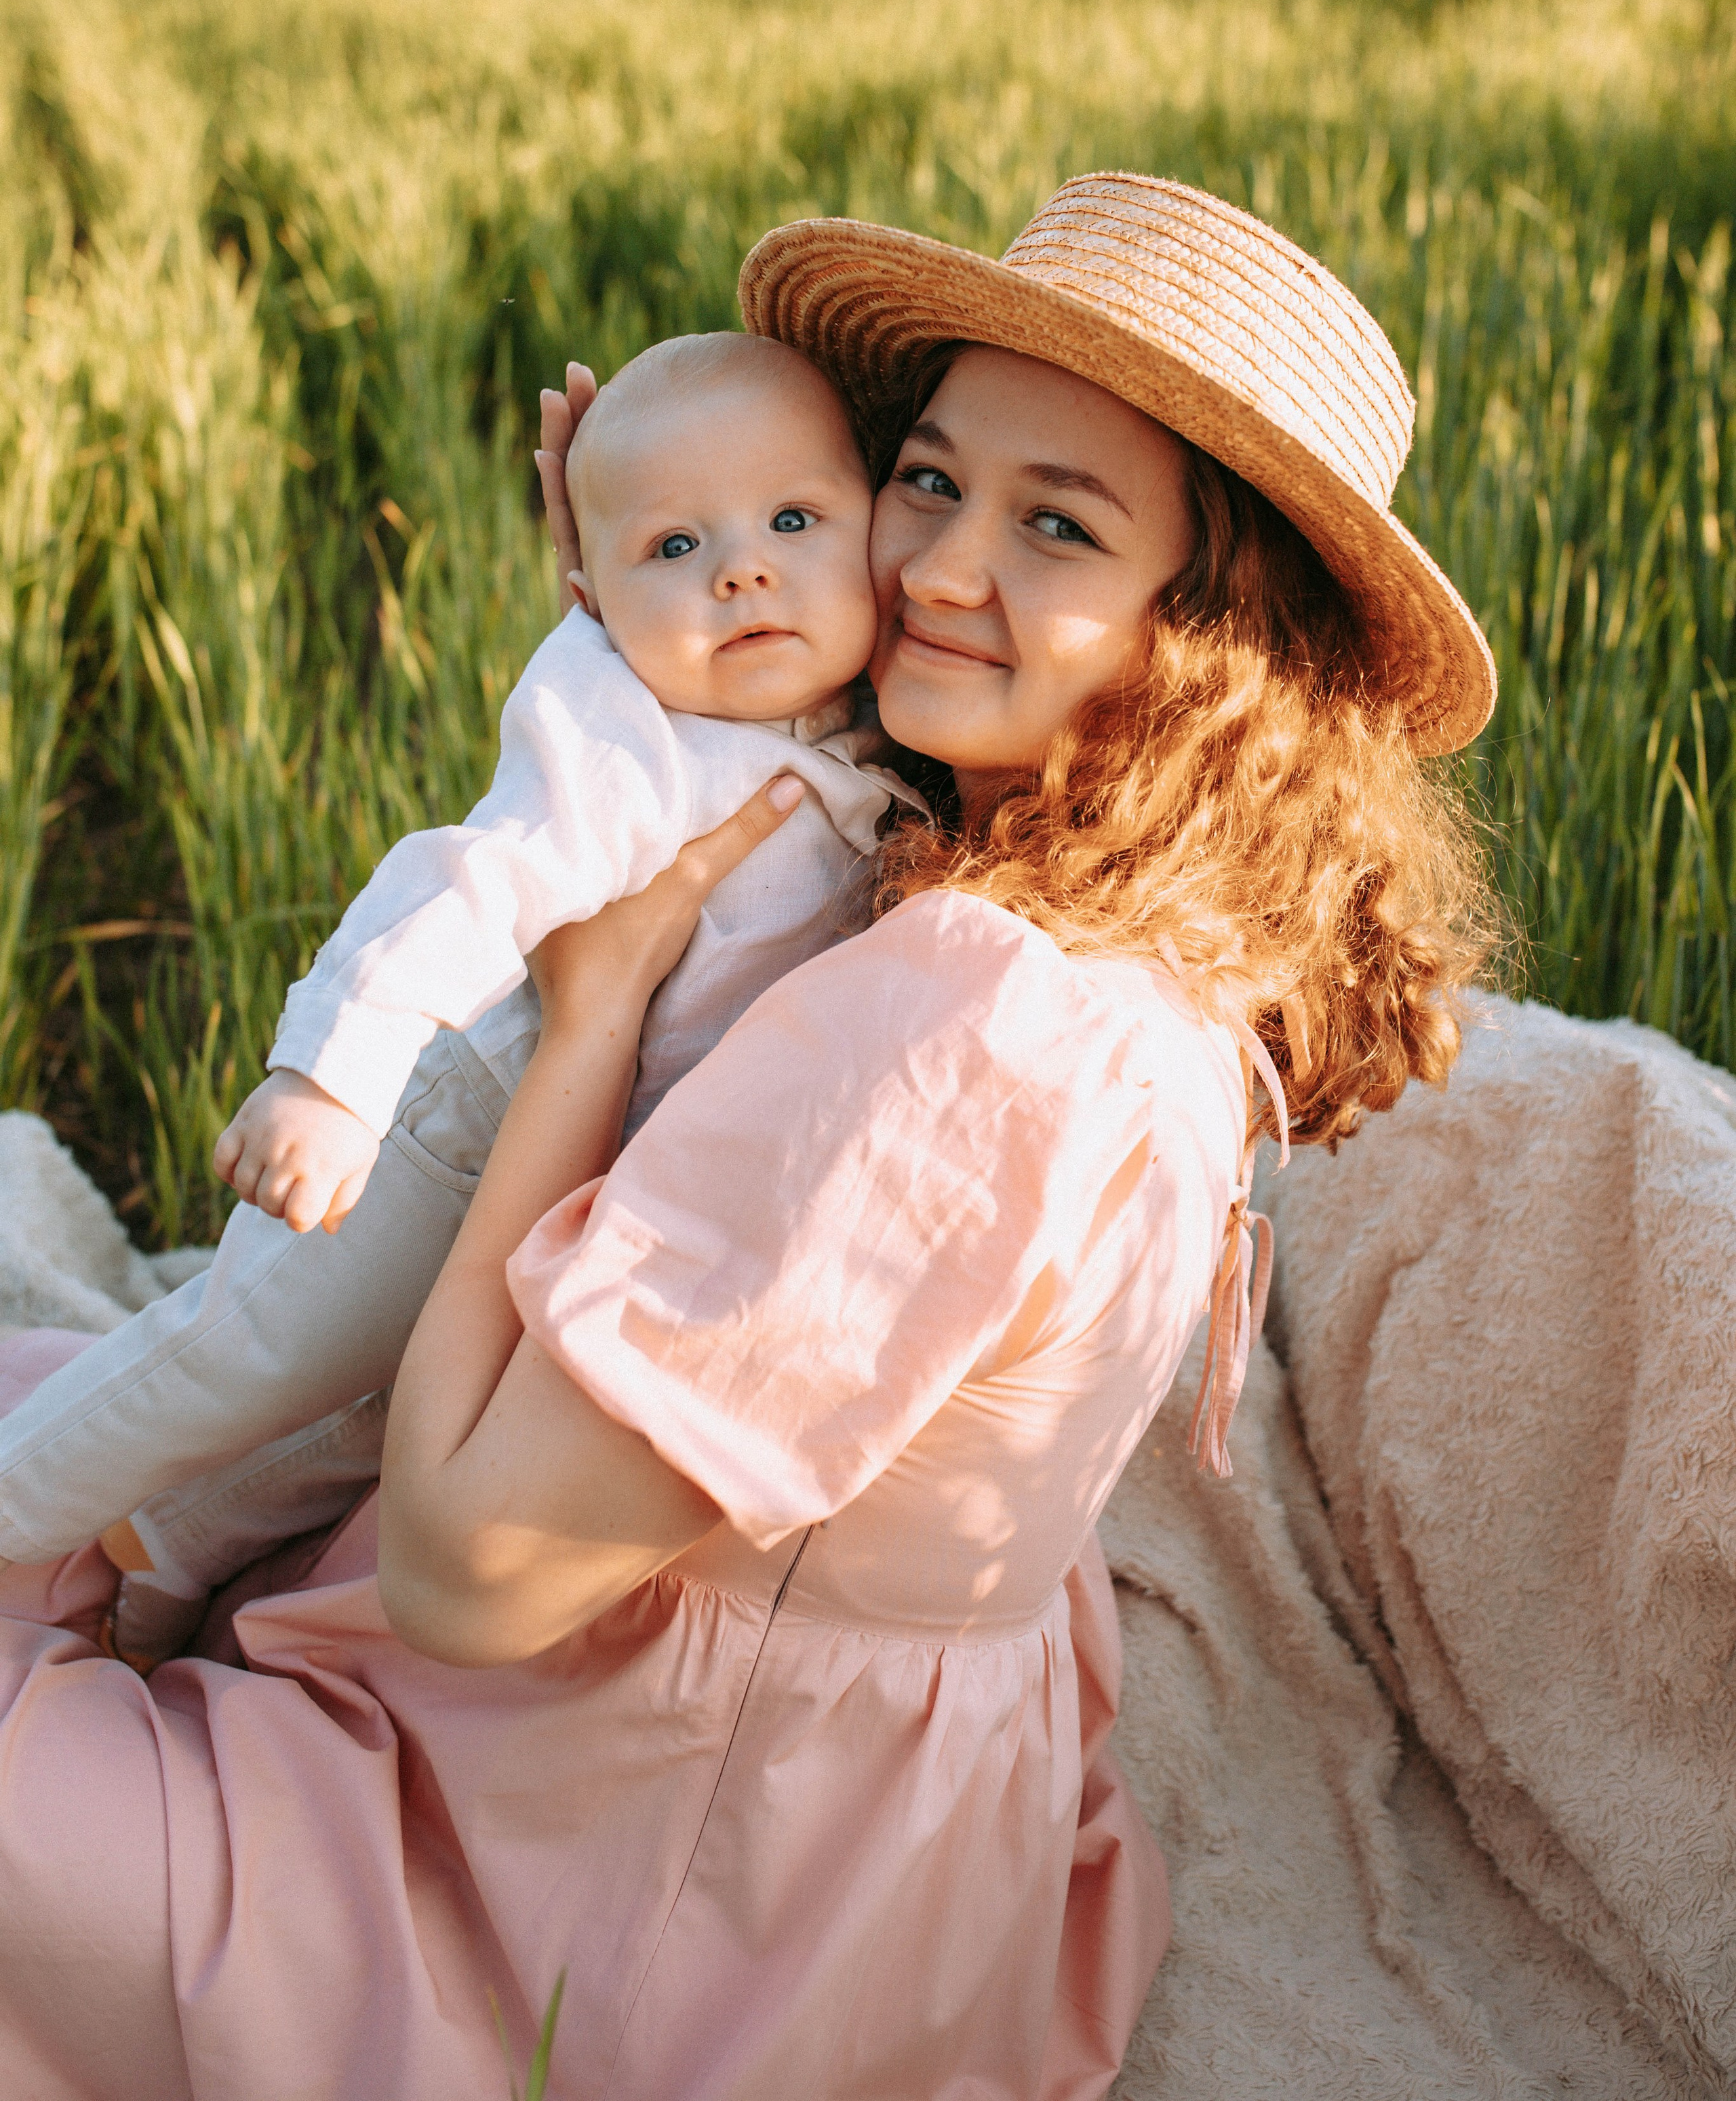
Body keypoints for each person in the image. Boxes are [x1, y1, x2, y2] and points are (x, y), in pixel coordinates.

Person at [0, 173, 1496, 2101]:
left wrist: (589, 1017)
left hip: (647, 1875)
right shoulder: (1153, 924)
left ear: (1208, 636)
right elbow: (745, 801)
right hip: (902, 1827)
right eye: (928, 479)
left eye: (1058, 526)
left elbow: (468, 1576)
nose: (940, 564)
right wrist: (663, 580)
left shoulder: (966, 1018)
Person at [0, 330, 922, 1659]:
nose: (741, 568)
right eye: (672, 549)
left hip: (610, 1165)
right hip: (466, 1126)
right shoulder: (631, 739)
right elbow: (471, 880)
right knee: (251, 1351)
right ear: (589, 596)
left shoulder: (874, 716)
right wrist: (335, 1076)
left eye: (793, 518)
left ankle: (167, 1550)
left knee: (396, 1412)